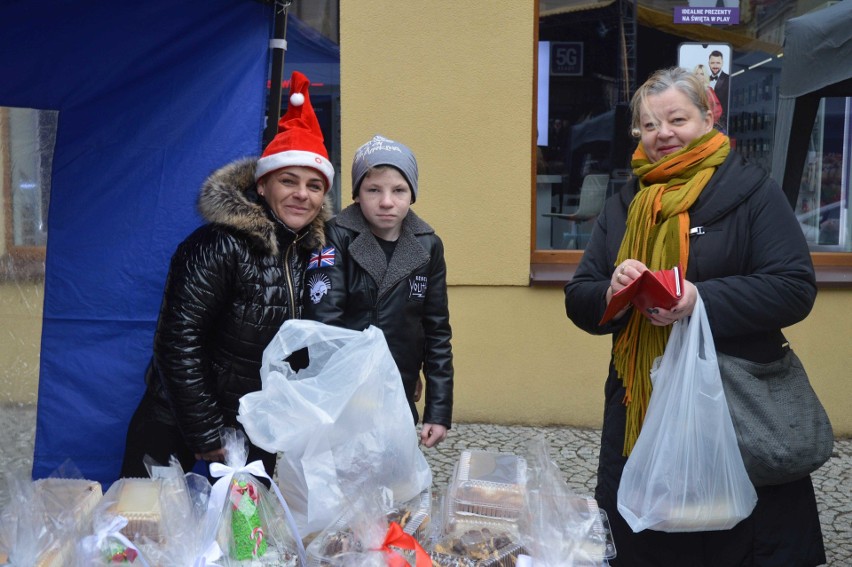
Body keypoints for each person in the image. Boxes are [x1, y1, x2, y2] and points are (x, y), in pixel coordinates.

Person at [564, 67, 824, 565]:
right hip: (640, 405)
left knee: (738, 541)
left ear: (708, 116)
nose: (662, 134)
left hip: (735, 404)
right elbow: (580, 297)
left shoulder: (752, 191)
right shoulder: (627, 203)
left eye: (676, 119)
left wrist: (699, 299)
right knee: (650, 544)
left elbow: (793, 287)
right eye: (648, 125)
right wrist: (612, 291)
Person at [120, 71, 334, 478]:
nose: (301, 194)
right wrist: (206, 432)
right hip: (178, 423)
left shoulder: (314, 256)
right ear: (261, 187)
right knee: (148, 534)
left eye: (314, 185)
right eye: (288, 180)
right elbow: (177, 341)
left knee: (245, 538)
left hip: (253, 429)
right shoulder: (219, 244)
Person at [303, 134, 453, 448]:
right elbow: (325, 321)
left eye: (398, 190)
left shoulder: (428, 246)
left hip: (399, 392)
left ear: (412, 193)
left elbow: (436, 331)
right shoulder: (335, 237)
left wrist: (438, 411)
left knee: (391, 488)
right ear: (357, 193)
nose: (386, 201)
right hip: (346, 399)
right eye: (374, 190)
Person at [692, 63, 724, 131]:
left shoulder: (709, 90)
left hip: (705, 126)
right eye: (696, 73)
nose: (699, 76)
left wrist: (709, 121)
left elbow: (717, 109)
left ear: (705, 76)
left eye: (702, 74)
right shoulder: (689, 90)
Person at [708, 50, 730, 129]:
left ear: (722, 63)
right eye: (712, 63)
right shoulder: (705, 80)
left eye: (718, 63)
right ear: (709, 63)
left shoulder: (729, 79)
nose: (715, 66)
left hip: (721, 124)